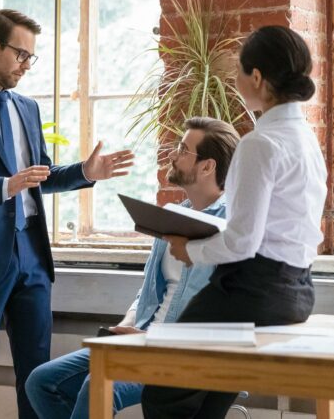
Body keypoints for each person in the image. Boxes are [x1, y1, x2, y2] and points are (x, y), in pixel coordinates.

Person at [0, 9, 134, 419]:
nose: (26, 65)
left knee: (37, 375)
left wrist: (85, 173)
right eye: (20, 54)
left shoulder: (27, 108)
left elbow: (40, 175)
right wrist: (5, 186)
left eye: (30, 57)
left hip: (32, 255)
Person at [141, 25, 328, 419]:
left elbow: (243, 242)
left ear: (256, 77)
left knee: (162, 390)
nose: (235, 80)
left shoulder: (259, 144)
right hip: (297, 291)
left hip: (251, 292)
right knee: (207, 397)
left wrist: (188, 249)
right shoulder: (306, 139)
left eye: (239, 72)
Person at [25, 117, 240, 419]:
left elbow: (230, 306)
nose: (171, 155)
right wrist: (128, 326)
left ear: (207, 167)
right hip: (141, 338)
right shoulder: (172, 216)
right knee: (41, 382)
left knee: (99, 385)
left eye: (183, 149)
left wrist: (154, 338)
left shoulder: (234, 226)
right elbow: (149, 290)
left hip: (183, 351)